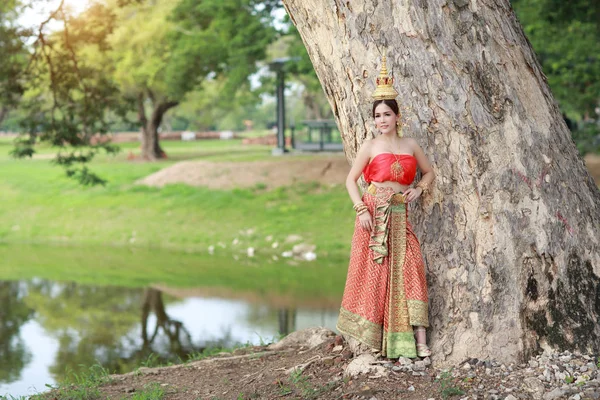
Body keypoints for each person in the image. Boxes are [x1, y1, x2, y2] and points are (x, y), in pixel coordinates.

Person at [336, 55, 435, 359]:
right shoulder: (369, 146)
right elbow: (351, 181)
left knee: (411, 269)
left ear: (397, 116)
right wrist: (360, 209)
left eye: (386, 114)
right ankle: (378, 341)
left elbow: (429, 172)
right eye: (377, 115)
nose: (381, 120)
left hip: (400, 213)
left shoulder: (411, 146)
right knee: (376, 275)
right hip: (372, 215)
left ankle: (419, 341)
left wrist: (419, 189)